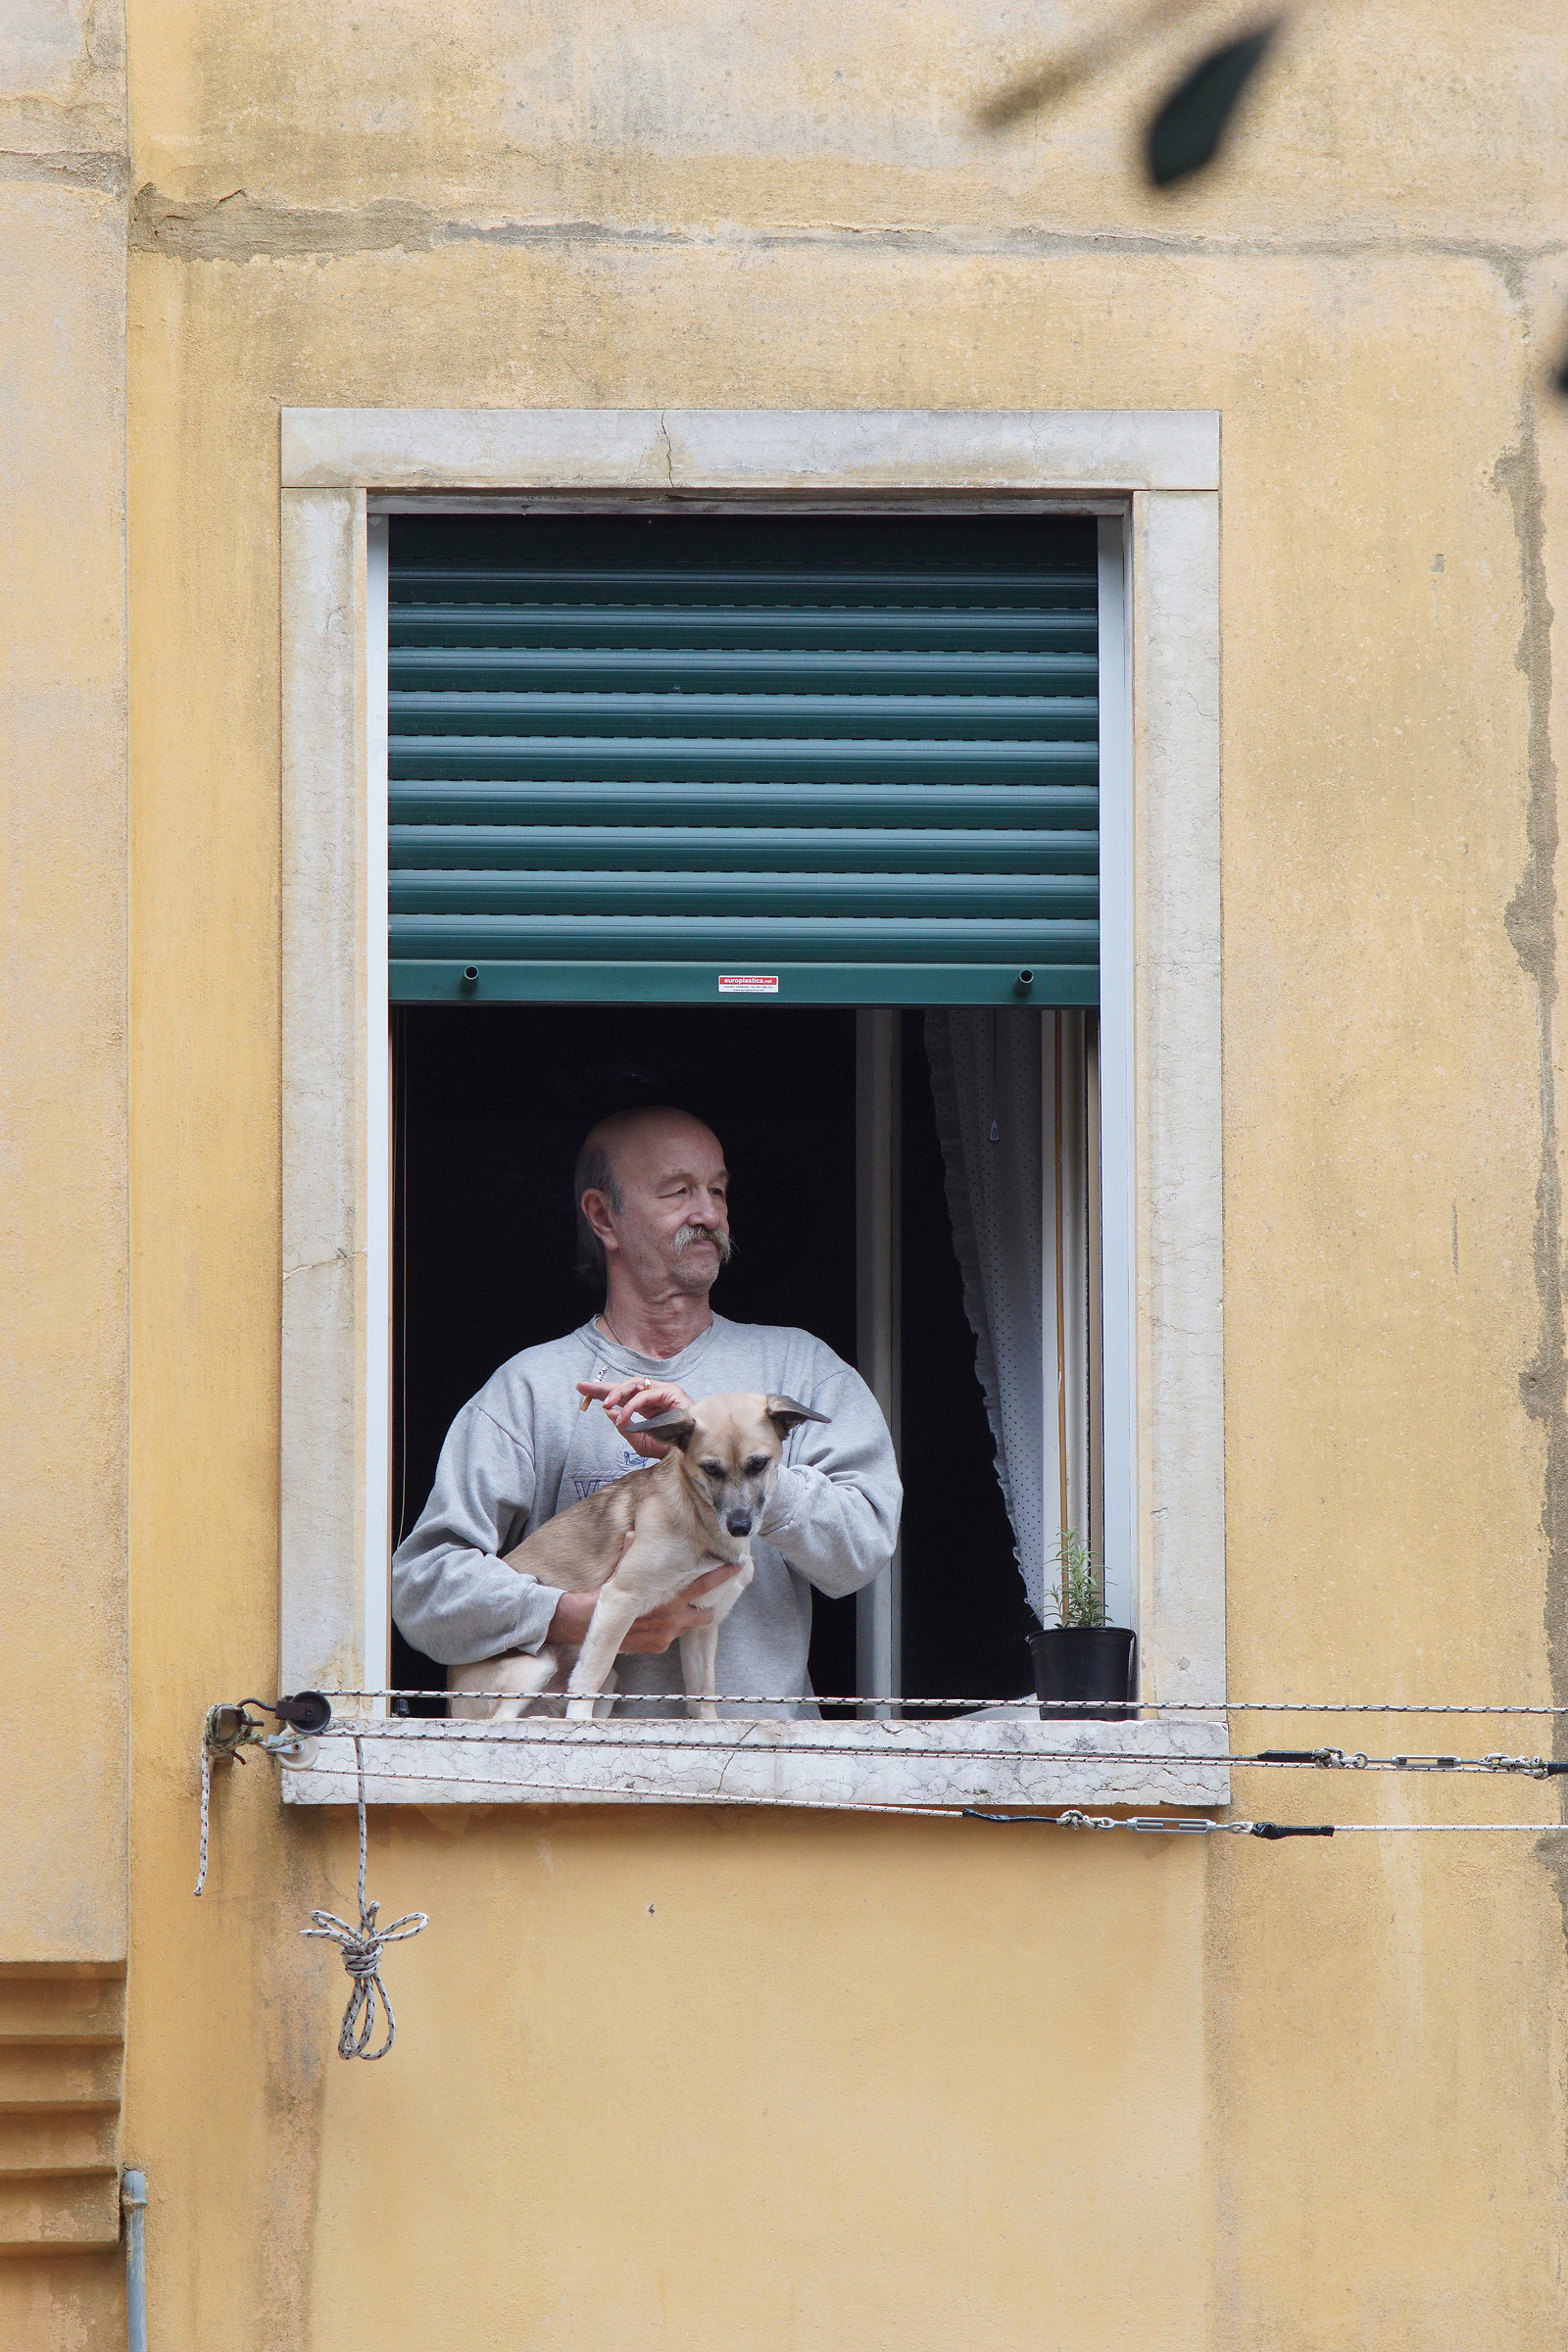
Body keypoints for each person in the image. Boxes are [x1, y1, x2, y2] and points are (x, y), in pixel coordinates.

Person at [391, 1105, 902, 1714]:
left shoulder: (799, 1369)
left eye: (717, 1190)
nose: (708, 1213)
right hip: (573, 1790)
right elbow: (422, 1594)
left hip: (755, 1775)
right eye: (679, 1191)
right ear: (603, 1216)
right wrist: (566, 1616)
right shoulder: (529, 1388)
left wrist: (724, 1454)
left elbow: (863, 1550)